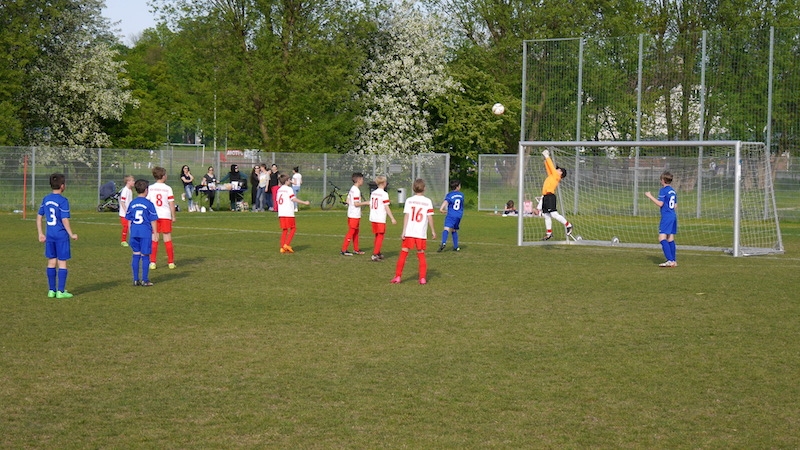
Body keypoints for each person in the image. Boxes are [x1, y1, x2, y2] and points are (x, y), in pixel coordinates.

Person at [36, 173, 78, 299]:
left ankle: (51, 290)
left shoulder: (46, 199)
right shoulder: (63, 201)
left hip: (49, 235)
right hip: (61, 236)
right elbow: (64, 219)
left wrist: (40, 233)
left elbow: (39, 217)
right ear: (62, 186)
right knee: (62, 262)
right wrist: (71, 234)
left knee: (51, 261)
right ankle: (60, 291)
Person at [391, 178, 436, 284]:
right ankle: (422, 278)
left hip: (409, 232)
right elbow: (429, 217)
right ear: (424, 188)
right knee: (421, 254)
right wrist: (433, 231)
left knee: (403, 253)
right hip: (420, 233)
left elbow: (407, 216)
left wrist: (404, 231)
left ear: (413, 188)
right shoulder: (427, 201)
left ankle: (398, 276)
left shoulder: (409, 200)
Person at [126, 179, 158, 286]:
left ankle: (136, 279)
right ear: (146, 190)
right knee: (145, 255)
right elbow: (153, 220)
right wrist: (155, 233)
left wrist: (130, 231)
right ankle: (145, 280)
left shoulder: (132, 203)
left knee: (136, 254)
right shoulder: (149, 204)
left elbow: (129, 219)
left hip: (134, 231)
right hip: (145, 232)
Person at [146, 166, 177, 270]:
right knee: (167, 238)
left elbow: (148, 202)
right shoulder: (168, 188)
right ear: (163, 176)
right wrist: (173, 216)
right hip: (165, 215)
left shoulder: (150, 188)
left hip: (153, 216)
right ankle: (171, 262)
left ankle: (152, 262)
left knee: (154, 238)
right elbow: (171, 203)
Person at [538, 149, 573, 240]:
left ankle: (568, 225)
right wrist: (545, 160)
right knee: (546, 216)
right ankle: (549, 233)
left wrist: (547, 156)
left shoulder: (557, 176)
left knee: (554, 214)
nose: (556, 170)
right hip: (545, 197)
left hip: (550, 197)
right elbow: (549, 168)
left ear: (561, 173)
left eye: (558, 170)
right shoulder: (552, 175)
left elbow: (552, 167)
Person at [645, 171, 678, 267]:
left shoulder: (663, 190)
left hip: (666, 217)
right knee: (670, 238)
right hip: (673, 216)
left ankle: (670, 260)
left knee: (661, 238)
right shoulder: (673, 191)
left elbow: (660, 204)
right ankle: (674, 261)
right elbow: (675, 205)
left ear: (663, 180)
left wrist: (650, 196)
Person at [276, 173, 311, 253]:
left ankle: (282, 247)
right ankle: (287, 244)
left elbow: (277, 200)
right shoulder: (289, 189)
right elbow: (293, 199)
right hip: (288, 212)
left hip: (281, 213)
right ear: (286, 181)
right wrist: (304, 202)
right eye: (289, 180)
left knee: (285, 230)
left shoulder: (279, 190)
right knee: (293, 228)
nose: (290, 181)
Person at [369, 175, 397, 261]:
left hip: (373, 216)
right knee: (380, 236)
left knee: (377, 235)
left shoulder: (373, 193)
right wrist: (392, 218)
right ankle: (375, 254)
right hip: (380, 217)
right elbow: (386, 207)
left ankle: (377, 252)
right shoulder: (384, 194)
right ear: (384, 183)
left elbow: (371, 204)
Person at [341, 172, 369, 256]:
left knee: (356, 232)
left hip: (351, 213)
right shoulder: (356, 190)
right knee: (351, 231)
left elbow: (347, 201)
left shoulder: (352, 188)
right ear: (359, 180)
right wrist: (366, 203)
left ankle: (356, 249)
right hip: (354, 215)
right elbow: (356, 204)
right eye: (362, 179)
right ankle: (344, 249)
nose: (363, 181)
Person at [438, 179, 464, 252]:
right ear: (457, 187)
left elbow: (446, 201)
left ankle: (443, 243)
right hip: (459, 215)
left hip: (451, 214)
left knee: (446, 228)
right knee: (454, 229)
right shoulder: (462, 195)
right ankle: (456, 247)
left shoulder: (450, 195)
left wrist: (441, 209)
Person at [118, 175, 135, 247]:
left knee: (131, 226)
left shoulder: (129, 190)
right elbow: (122, 202)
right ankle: (123, 241)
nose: (134, 182)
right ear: (128, 182)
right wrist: (126, 211)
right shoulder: (125, 190)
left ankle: (131, 240)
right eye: (132, 181)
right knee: (126, 226)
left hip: (129, 212)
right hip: (124, 213)